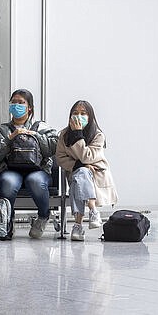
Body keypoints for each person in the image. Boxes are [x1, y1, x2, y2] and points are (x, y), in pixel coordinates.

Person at [0, 89, 57, 239]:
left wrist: (36, 136)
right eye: (14, 102)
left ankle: (43, 217)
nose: (16, 105)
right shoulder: (2, 129)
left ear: (29, 107)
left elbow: (54, 147)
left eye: (21, 102)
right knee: (8, 182)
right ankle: (7, 221)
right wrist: (10, 138)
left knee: (35, 181)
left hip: (38, 170)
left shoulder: (41, 127)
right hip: (11, 170)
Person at [56, 100, 118, 241]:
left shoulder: (98, 135)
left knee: (80, 178)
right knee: (81, 173)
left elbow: (87, 156)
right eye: (75, 113)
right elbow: (60, 158)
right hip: (76, 172)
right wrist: (79, 165)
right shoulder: (64, 134)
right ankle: (93, 210)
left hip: (96, 175)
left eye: (83, 114)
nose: (79, 116)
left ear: (90, 116)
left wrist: (78, 135)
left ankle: (77, 225)